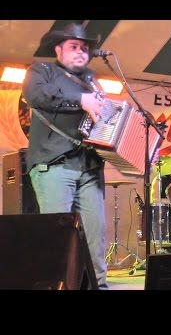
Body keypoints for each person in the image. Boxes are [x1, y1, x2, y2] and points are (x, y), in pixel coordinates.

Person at [22, 23, 108, 289]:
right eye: (73, 47)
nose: (81, 52)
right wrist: (82, 100)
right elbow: (35, 96)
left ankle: (98, 286)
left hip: (89, 167)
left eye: (84, 48)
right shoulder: (41, 71)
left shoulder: (92, 79)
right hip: (53, 164)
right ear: (58, 50)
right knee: (58, 238)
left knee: (95, 236)